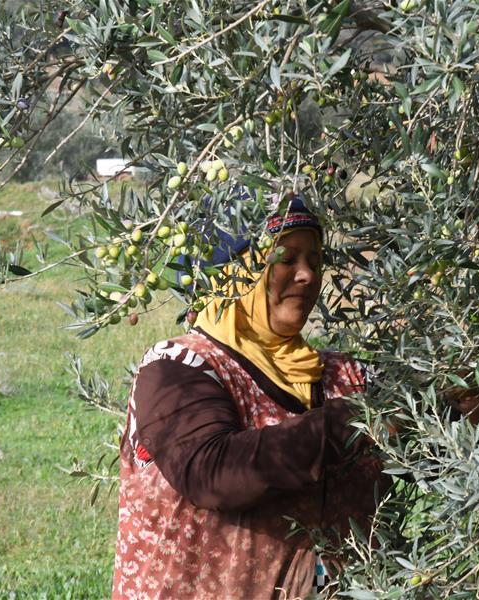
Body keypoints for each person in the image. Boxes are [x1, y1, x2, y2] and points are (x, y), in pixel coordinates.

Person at [112, 193, 387, 599]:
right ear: (235, 272)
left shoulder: (341, 376)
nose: (307, 275)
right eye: (287, 258)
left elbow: (438, 416)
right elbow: (213, 473)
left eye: (314, 260)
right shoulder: (177, 367)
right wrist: (358, 421)